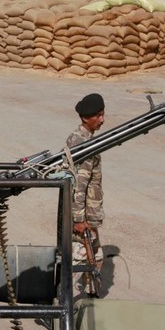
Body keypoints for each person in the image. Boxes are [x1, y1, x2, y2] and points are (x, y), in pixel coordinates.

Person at [65, 93, 106, 297]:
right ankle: (58, 303)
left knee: (96, 258)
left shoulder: (86, 138)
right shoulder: (81, 142)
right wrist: (79, 219)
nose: (102, 119)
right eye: (98, 116)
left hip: (89, 215)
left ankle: (91, 298)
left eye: (103, 114)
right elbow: (78, 185)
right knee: (78, 260)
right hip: (82, 217)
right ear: (85, 118)